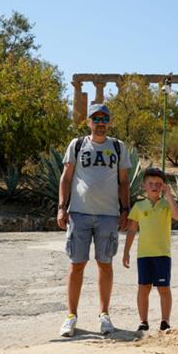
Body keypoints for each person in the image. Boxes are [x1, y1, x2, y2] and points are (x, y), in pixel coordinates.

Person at [57, 103, 132, 337]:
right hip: (79, 214)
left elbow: (123, 182)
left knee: (105, 264)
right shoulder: (77, 145)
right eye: (95, 119)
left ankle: (104, 315)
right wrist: (61, 207)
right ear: (88, 122)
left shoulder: (118, 147)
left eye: (104, 119)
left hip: (108, 215)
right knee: (76, 265)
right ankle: (71, 316)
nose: (100, 124)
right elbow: (66, 178)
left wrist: (125, 210)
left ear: (109, 122)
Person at [122, 168, 178, 332]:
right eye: (151, 184)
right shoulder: (139, 206)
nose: (155, 187)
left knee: (164, 289)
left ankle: (165, 321)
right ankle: (143, 321)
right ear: (144, 186)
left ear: (163, 186)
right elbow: (132, 230)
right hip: (144, 255)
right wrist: (126, 251)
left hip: (162, 254)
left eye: (159, 184)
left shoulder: (166, 205)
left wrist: (169, 196)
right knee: (144, 288)